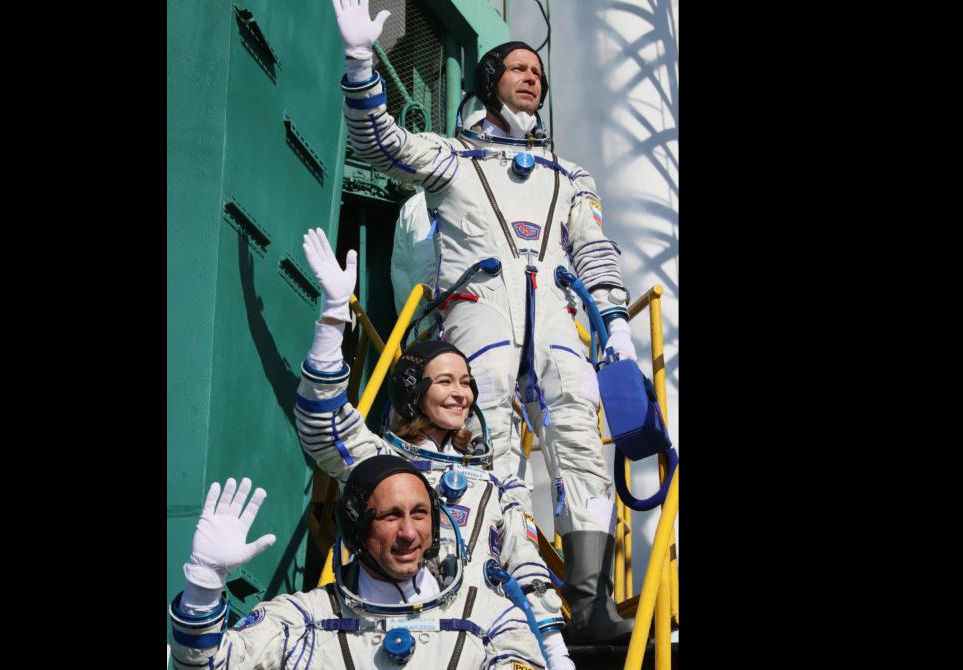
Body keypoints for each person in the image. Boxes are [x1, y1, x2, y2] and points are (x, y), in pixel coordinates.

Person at [330, 0, 637, 643]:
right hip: (479, 310)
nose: (531, 77)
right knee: (488, 436)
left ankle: (589, 598)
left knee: (579, 430)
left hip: (555, 310)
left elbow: (595, 252)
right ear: (487, 81)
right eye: (516, 68)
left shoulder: (569, 175)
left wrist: (618, 327)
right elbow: (377, 142)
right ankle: (503, 585)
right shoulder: (453, 159)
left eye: (538, 72)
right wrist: (362, 63)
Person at [296, 227, 574, 670]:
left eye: (466, 383)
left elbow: (524, 566)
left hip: (475, 647)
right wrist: (332, 318)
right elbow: (321, 422)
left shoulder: (499, 479)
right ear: (412, 392)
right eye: (445, 381)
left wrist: (555, 652)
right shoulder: (383, 466)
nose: (461, 394)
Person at [168, 457, 547, 670]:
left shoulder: (491, 620)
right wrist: (204, 585)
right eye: (390, 517)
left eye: (420, 513)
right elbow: (207, 665)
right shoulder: (303, 621)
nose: (409, 533)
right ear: (356, 528)